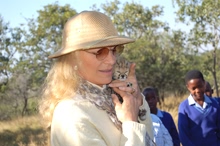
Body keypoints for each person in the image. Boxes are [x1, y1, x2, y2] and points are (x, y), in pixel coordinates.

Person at [39, 11, 155, 146]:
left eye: (114, 50)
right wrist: (131, 122)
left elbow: (150, 138)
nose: (112, 60)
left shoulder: (110, 96)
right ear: (73, 58)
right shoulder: (71, 114)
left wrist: (137, 101)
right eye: (100, 52)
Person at [178, 69, 220, 146]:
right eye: (193, 88)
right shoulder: (184, 107)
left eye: (200, 86)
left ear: (204, 83)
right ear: (188, 88)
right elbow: (183, 135)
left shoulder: (214, 104)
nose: (197, 90)